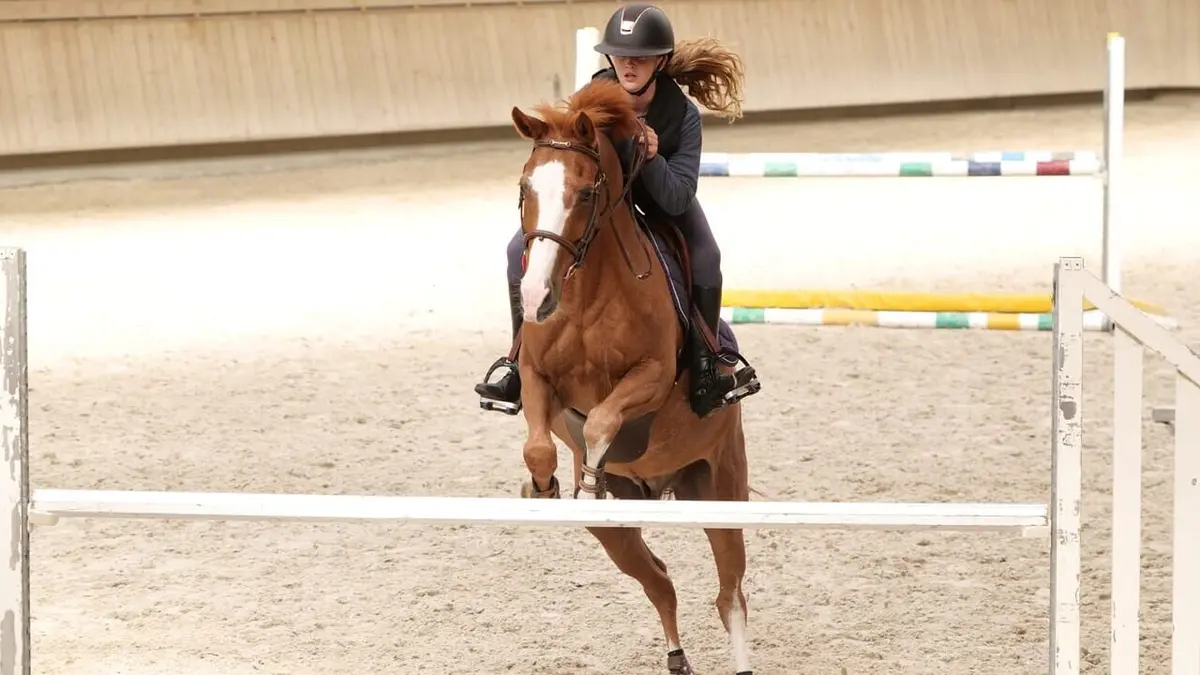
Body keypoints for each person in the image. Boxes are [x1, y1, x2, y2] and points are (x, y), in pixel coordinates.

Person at [474, 2, 760, 419]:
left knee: (707, 255)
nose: (628, 64)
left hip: (660, 203)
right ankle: (517, 361)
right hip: (599, 204)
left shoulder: (681, 115)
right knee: (516, 248)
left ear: (660, 62)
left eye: (640, 57)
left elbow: (678, 197)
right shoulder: (588, 100)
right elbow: (566, 162)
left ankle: (707, 362)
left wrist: (650, 157)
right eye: (621, 55)